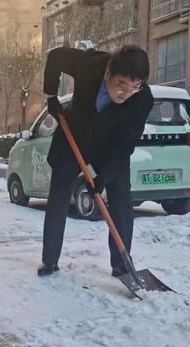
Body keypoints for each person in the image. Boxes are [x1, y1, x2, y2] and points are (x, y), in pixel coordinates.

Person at [38, 45, 154, 277]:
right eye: (122, 85)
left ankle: (122, 265)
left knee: (121, 199)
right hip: (75, 136)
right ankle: (49, 260)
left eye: (135, 87)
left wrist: (104, 177)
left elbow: (125, 145)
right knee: (60, 194)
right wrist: (51, 95)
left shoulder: (142, 100)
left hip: (112, 147)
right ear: (108, 74)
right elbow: (55, 57)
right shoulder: (90, 64)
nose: (127, 93)